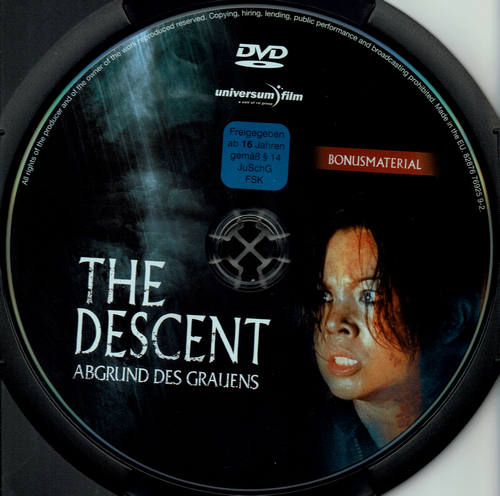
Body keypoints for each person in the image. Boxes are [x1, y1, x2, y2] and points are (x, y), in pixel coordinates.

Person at [303, 204, 483, 474]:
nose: (332, 322)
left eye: (369, 296)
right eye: (325, 296)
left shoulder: (480, 444)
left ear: (450, 320)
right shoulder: (300, 447)